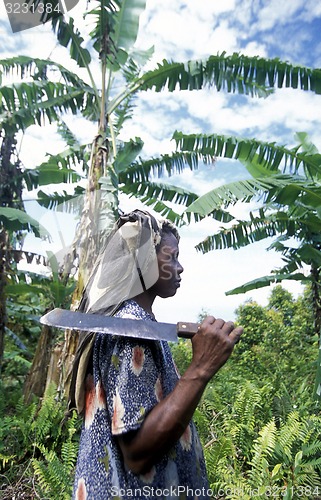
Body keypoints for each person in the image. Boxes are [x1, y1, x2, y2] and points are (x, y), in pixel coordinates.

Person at [70, 209, 243, 500]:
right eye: (171, 256)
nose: (180, 267)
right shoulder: (130, 330)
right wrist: (200, 368)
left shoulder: (140, 324)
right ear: (145, 262)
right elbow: (137, 454)